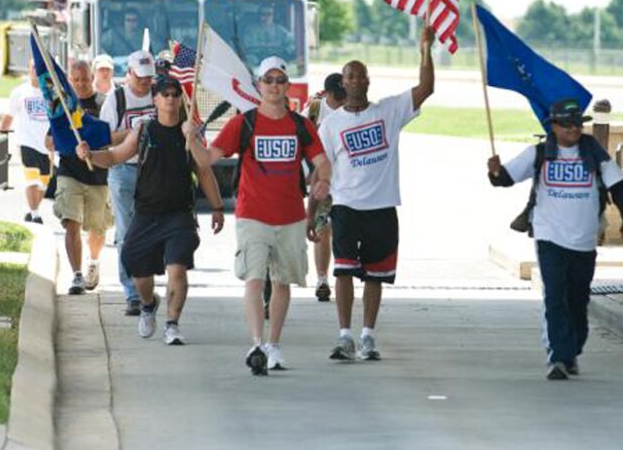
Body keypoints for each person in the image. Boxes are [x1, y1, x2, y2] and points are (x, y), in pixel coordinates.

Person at [185, 56, 331, 376]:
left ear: (287, 85)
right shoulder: (244, 123)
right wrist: (192, 139)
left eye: (280, 80)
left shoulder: (300, 125)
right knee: (253, 279)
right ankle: (256, 343)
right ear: (259, 85)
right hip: (252, 215)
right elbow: (207, 159)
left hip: (290, 215)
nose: (275, 86)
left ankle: (274, 345)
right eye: (269, 80)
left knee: (282, 282)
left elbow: (322, 162)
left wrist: (323, 181)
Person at [487, 98, 623, 380]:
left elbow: (619, 187)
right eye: (566, 124)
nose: (573, 130)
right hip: (549, 236)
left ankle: (571, 350)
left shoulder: (594, 154)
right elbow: (506, 178)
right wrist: (495, 172)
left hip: (583, 239)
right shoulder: (540, 153)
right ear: (554, 126)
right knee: (555, 296)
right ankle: (558, 356)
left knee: (578, 301)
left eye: (577, 124)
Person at [313, 26, 435, 362]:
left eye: (359, 76)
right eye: (348, 77)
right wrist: (316, 214)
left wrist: (426, 50)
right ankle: (344, 336)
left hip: (382, 208)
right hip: (346, 208)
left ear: (367, 82)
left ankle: (367, 335)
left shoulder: (389, 111)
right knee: (343, 271)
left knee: (375, 275)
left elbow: (426, 88)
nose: (354, 81)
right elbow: (320, 172)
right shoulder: (331, 125)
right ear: (342, 83)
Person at [78, 74, 225, 344]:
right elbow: (113, 156)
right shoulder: (144, 131)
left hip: (179, 214)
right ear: (155, 99)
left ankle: (172, 324)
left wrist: (217, 207)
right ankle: (148, 305)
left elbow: (204, 172)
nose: (170, 98)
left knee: (177, 269)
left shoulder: (189, 134)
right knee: (138, 271)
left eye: (174, 94)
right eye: (165, 94)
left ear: (181, 99)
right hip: (146, 214)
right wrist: (90, 155)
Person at [99, 50, 156, 315]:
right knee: (126, 232)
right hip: (123, 170)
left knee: (152, 230)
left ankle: (146, 281)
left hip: (153, 172)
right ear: (129, 74)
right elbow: (106, 138)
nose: (145, 82)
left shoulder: (160, 95)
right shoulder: (117, 98)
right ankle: (132, 293)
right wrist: (135, 131)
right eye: (141, 77)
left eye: (149, 78)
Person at [51, 60, 112, 295]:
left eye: (85, 79)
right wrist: (63, 141)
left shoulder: (104, 104)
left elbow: (113, 135)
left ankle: (93, 262)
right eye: (75, 80)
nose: (81, 84)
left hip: (98, 174)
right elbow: (50, 139)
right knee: (71, 221)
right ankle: (76, 275)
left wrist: (95, 145)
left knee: (97, 228)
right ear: (69, 80)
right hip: (69, 172)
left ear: (92, 78)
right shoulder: (65, 106)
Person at [302, 72, 347, 302]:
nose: (342, 102)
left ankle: (345, 274)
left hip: (348, 182)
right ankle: (322, 279)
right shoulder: (314, 111)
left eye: (344, 97)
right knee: (322, 229)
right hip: (321, 181)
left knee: (344, 231)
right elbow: (298, 140)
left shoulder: (353, 108)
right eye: (337, 98)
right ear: (327, 93)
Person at [1, 61, 51, 224]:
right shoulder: (19, 92)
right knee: (32, 180)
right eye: (33, 67)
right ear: (29, 70)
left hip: (47, 145)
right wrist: (1, 136)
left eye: (39, 68)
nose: (36, 71)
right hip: (27, 142)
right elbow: (9, 116)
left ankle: (32, 211)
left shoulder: (51, 93)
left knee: (43, 183)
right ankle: (35, 214)